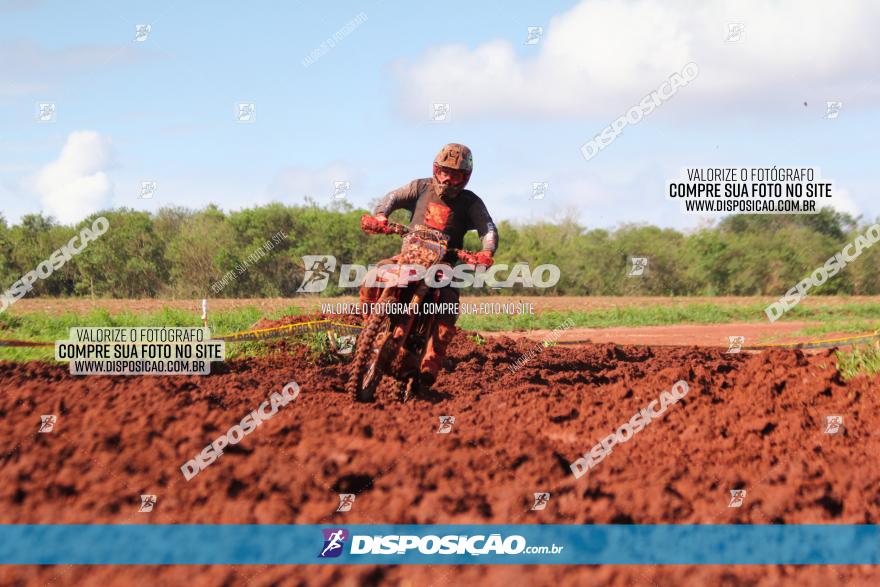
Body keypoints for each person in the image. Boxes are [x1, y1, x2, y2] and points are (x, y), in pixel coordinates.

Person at [359, 143, 498, 388]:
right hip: (410, 255)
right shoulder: (420, 187)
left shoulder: (470, 202)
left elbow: (488, 228)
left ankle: (430, 362)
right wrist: (382, 215)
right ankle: (366, 327)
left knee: (448, 303)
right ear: (436, 169)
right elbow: (392, 197)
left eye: (454, 174)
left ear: (465, 177)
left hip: (444, 264)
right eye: (443, 171)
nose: (447, 178)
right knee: (373, 275)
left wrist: (486, 251)